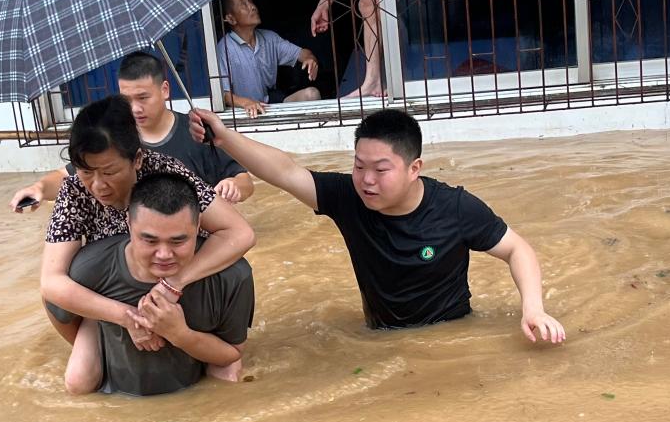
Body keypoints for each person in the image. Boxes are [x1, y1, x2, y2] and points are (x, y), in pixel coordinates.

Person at [188, 106, 565, 341]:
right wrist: (224, 138)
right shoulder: (347, 198)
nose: (367, 180)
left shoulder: (454, 207)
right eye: (359, 166)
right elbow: (285, 172)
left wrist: (533, 309)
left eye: (381, 170)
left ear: (414, 168)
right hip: (380, 337)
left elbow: (517, 248)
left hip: (452, 336)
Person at [40, 96, 255, 389]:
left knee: (227, 375)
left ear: (138, 159)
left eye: (109, 172)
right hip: (114, 293)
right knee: (79, 382)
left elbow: (240, 233)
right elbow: (51, 284)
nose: (98, 185)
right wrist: (124, 317)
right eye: (86, 171)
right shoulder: (74, 192)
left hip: (184, 287)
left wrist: (174, 284)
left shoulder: (167, 173)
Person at [65, 173, 254, 396]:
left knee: (229, 377)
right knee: (77, 381)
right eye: (150, 240)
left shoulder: (232, 275)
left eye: (178, 241)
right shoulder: (89, 269)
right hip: (117, 374)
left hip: (198, 364)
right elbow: (55, 304)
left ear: (198, 226)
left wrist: (180, 334)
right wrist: (113, 318)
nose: (164, 254)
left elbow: (232, 353)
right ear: (128, 224)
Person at [9, 51, 255, 210]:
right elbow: (69, 175)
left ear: (165, 90)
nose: (135, 108)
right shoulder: (117, 137)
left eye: (143, 97)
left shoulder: (198, 132)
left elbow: (245, 180)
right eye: (126, 99)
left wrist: (233, 185)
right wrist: (39, 188)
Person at [216, 0, 320, 118]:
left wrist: (310, 58)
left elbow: (302, 53)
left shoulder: (269, 38)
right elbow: (223, 95)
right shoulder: (224, 49)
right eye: (244, 5)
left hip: (268, 104)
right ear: (231, 19)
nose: (252, 7)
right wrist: (246, 103)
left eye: (250, 2)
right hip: (243, 112)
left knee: (312, 94)